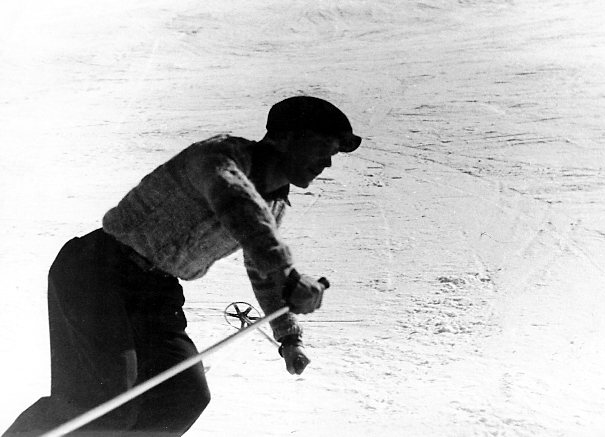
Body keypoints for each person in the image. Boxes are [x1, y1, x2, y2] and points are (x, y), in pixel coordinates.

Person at [3, 96, 362, 436]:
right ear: (285, 137)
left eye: (332, 154)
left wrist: (289, 337)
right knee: (103, 401)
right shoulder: (220, 157)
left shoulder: (275, 205)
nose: (326, 163)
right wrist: (290, 275)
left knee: (182, 397)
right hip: (98, 270)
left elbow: (262, 268)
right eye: (321, 148)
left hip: (156, 290)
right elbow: (236, 205)